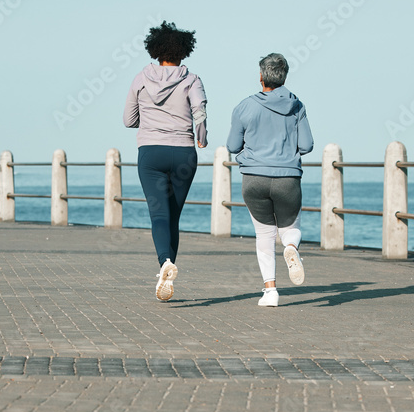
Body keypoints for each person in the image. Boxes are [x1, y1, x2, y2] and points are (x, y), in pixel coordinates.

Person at [123, 21, 208, 301]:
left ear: (156, 50)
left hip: (151, 152)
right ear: (183, 52)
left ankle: (165, 264)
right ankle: (167, 265)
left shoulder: (140, 78)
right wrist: (202, 136)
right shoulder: (192, 79)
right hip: (183, 151)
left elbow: (128, 120)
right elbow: (199, 110)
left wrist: (148, 121)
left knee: (159, 214)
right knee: (174, 216)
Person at [227, 53, 313, 307]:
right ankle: (291, 248)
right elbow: (306, 145)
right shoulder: (297, 106)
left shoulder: (244, 106)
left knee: (264, 234)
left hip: (254, 178)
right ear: (284, 76)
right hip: (288, 177)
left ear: (261, 77)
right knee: (290, 228)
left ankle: (270, 292)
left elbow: (232, 145)